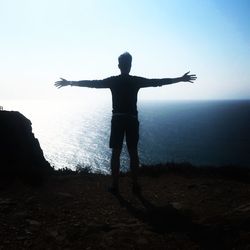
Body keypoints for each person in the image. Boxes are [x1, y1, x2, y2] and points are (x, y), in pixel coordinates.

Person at [55, 52, 197, 194]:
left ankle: (115, 186)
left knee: (116, 153)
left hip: (117, 119)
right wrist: (180, 79)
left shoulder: (113, 81)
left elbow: (93, 84)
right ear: (130, 65)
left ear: (119, 65)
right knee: (133, 153)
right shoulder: (135, 81)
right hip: (131, 120)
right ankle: (135, 185)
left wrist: (70, 83)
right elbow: (157, 82)